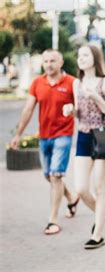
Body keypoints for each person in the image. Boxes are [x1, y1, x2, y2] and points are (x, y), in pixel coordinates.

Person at [10, 49, 80, 235]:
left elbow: (80, 111)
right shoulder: (37, 83)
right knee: (49, 175)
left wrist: (73, 110)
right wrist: (18, 135)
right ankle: (72, 197)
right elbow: (28, 110)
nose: (48, 64)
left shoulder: (72, 83)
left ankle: (53, 220)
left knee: (56, 176)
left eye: (52, 61)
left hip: (63, 135)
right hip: (44, 136)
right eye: (46, 61)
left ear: (61, 62)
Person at [63, 44, 105, 249]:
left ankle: (98, 235)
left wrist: (96, 97)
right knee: (81, 188)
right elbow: (80, 113)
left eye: (85, 55)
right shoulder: (76, 84)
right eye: (79, 55)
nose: (81, 58)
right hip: (84, 136)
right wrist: (71, 111)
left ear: (95, 58)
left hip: (104, 137)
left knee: (100, 187)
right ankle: (101, 213)